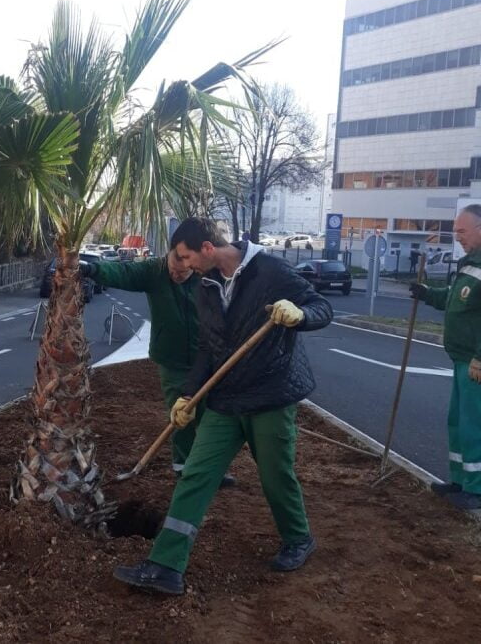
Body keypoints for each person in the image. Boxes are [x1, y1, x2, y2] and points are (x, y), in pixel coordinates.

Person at [113, 217, 333, 595]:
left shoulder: (270, 271)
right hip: (226, 398)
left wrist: (300, 316)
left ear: (207, 248)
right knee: (196, 473)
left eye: (185, 257)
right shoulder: (208, 286)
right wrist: (189, 393)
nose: (182, 266)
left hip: (269, 394)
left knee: (274, 476)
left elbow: (322, 306)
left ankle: (298, 538)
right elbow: (207, 347)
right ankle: (166, 565)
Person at [80, 252, 235, 487]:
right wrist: (93, 270)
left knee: (211, 415)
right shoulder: (155, 271)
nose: (176, 275)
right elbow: (125, 273)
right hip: (172, 360)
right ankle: (183, 468)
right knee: (181, 415)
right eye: (173, 269)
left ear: (194, 265)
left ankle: (211, 468)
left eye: (183, 272)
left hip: (209, 357)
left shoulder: (206, 274)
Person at [410, 204, 481, 510]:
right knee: (457, 422)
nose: (458, 237)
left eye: (462, 231)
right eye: (456, 231)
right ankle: (459, 481)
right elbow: (452, 299)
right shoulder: (468, 265)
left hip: (475, 364)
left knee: (473, 426)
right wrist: (425, 292)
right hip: (460, 359)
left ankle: (476, 490)